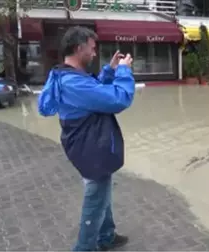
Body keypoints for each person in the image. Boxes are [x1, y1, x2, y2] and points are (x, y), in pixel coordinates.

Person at [37, 26, 135, 252]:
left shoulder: (68, 75)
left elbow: (93, 91)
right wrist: (123, 71)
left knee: (103, 192)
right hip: (91, 150)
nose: (94, 53)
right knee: (95, 201)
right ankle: (85, 247)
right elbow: (118, 99)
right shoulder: (73, 83)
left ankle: (107, 236)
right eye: (91, 49)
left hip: (88, 148)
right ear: (79, 48)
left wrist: (109, 71)